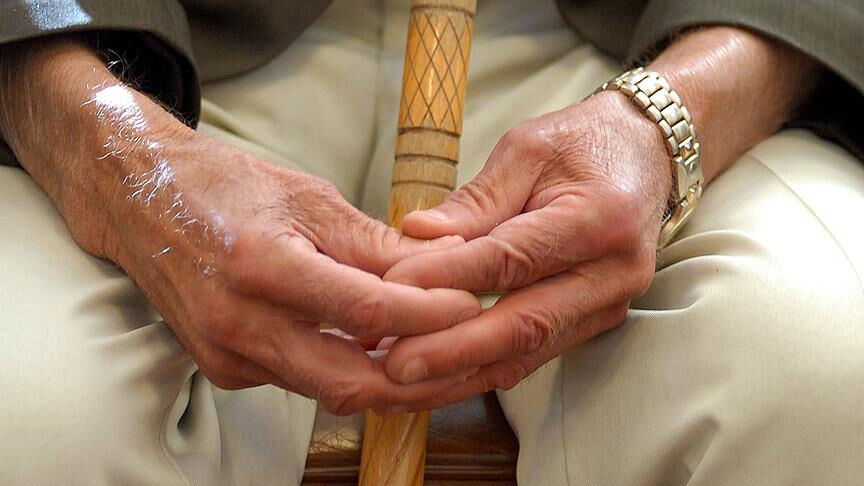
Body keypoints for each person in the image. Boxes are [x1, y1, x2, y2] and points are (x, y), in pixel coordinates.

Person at [1, 0, 862, 484]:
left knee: (823, 366)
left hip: (653, 46)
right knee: (29, 407)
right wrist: (108, 151)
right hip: (126, 52)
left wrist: (672, 118)